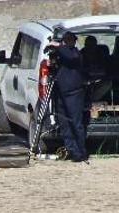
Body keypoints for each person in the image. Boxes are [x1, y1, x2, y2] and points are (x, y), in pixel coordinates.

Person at [49, 32, 87, 162]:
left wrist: (58, 46)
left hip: (73, 94)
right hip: (60, 93)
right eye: (65, 40)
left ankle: (81, 152)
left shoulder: (75, 53)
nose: (67, 42)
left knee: (76, 124)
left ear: (74, 41)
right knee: (64, 124)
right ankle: (71, 150)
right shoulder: (62, 53)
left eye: (69, 40)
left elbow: (71, 58)